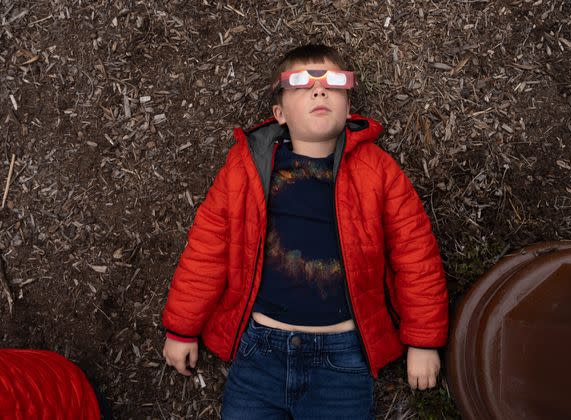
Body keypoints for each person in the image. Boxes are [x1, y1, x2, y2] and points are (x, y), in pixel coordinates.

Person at [161, 44, 448, 419]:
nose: (319, 89)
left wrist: (423, 341)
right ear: (280, 113)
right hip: (259, 354)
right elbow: (207, 249)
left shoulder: (378, 171)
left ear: (348, 108)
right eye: (301, 83)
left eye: (334, 83)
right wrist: (183, 329)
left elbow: (415, 254)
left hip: (342, 359)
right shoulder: (246, 169)